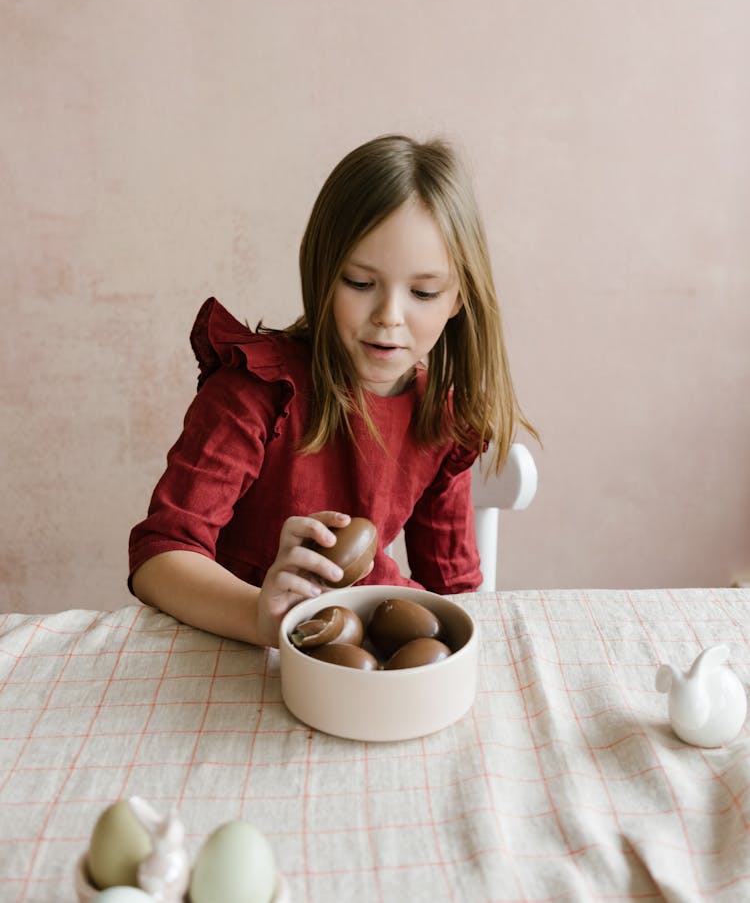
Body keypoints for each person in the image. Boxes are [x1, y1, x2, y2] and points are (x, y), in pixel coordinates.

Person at [129, 134, 535, 647]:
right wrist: (260, 614)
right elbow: (161, 556)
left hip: (354, 658)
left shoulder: (442, 421)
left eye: (423, 292)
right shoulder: (255, 391)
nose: (389, 316)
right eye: (360, 282)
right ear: (322, 274)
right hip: (233, 652)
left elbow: (453, 595)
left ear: (458, 299)